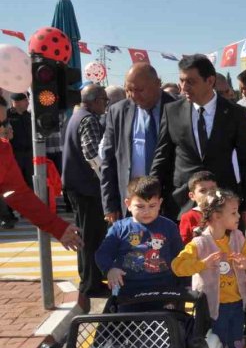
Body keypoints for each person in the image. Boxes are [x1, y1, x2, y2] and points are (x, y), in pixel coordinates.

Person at [151, 54, 246, 226]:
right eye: (181, 81)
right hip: (182, 205)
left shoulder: (234, 113)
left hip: (223, 206)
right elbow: (162, 157)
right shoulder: (171, 111)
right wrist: (152, 196)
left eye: (191, 82)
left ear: (210, 81)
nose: (184, 87)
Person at [172, 189, 246, 348]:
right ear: (217, 217)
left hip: (236, 304)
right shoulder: (199, 243)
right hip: (210, 308)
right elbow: (177, 266)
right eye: (234, 213)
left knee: (236, 343)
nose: (239, 217)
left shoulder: (238, 237)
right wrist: (202, 264)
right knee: (214, 345)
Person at [0, 96, 81, 248]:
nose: (3, 129)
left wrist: (58, 227)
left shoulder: (3, 150)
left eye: (3, 123)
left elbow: (19, 194)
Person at [101, 63, 176, 220]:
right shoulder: (118, 112)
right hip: (130, 205)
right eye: (129, 90)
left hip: (169, 203)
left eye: (139, 90)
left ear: (158, 84)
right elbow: (108, 161)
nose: (133, 95)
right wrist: (110, 204)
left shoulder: (177, 108)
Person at [95, 176, 183, 297]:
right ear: (128, 204)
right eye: (140, 206)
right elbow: (102, 253)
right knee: (127, 316)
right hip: (128, 289)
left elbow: (180, 257)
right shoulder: (119, 228)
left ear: (160, 203)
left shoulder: (169, 227)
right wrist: (110, 269)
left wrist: (184, 285)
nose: (146, 211)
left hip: (164, 289)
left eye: (152, 206)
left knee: (165, 316)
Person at [63, 84, 109, 298]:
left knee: (85, 234)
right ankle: (91, 283)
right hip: (86, 187)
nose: (106, 105)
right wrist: (105, 177)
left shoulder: (76, 116)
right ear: (96, 100)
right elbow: (91, 152)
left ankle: (88, 279)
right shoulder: (88, 119)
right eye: (104, 101)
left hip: (77, 185)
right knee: (91, 236)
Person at [179, 171, 218, 244]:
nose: (209, 193)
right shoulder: (188, 217)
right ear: (192, 196)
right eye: (203, 190)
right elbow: (184, 245)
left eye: (213, 189)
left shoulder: (224, 212)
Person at [8, 93, 33, 191]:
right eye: (25, 100)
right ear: (16, 102)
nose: (28, 103)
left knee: (30, 182)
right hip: (15, 155)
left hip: (29, 154)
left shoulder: (29, 116)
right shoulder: (7, 116)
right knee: (16, 183)